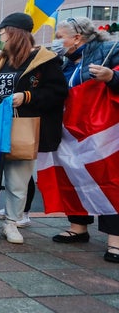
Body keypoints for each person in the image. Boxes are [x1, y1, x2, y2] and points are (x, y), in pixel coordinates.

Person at [0, 13, 68, 244]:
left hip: (23, 127)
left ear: (15, 33)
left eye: (1, 33)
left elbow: (58, 93)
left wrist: (27, 96)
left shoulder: (46, 61)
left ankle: (12, 222)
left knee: (18, 180)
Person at [50, 16, 119, 263]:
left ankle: (116, 240)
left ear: (76, 37)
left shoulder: (111, 52)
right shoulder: (62, 61)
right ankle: (78, 226)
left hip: (103, 131)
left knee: (109, 179)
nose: (57, 42)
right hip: (69, 131)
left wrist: (112, 77)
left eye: (60, 37)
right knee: (74, 175)